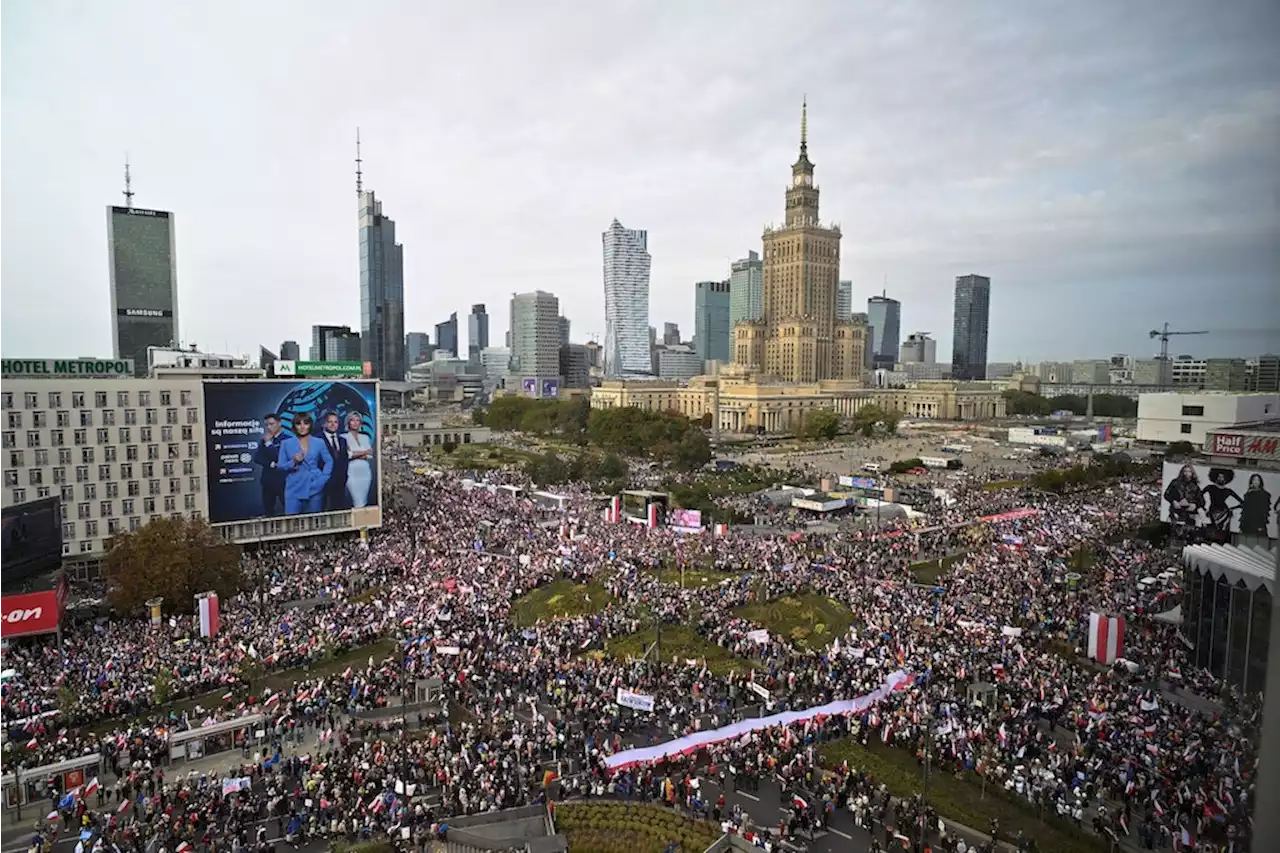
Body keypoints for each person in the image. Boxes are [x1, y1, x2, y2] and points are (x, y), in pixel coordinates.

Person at [277, 412, 333, 515]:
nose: (302, 427)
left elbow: (329, 461)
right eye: (299, 423)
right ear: (294, 426)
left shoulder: (319, 442)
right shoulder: (286, 443)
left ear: (310, 425)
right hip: (294, 487)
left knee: (314, 522)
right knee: (291, 522)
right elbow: (280, 466)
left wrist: (323, 478)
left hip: (315, 485)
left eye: (306, 423)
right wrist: (293, 462)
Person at [254, 413, 288, 516]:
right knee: (268, 512)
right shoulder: (264, 440)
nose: (269, 427)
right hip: (267, 481)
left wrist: (269, 444)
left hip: (283, 481)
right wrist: (271, 464)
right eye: (267, 425)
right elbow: (257, 458)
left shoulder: (287, 439)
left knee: (289, 510)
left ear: (279, 423)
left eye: (271, 424)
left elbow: (280, 457)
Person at [318, 412, 349, 512]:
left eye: (335, 422)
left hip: (339, 482)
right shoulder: (317, 439)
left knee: (339, 510)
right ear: (324, 424)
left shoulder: (342, 440)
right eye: (330, 422)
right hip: (323, 482)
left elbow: (344, 460)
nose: (333, 424)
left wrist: (344, 476)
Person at [343, 410, 375, 508]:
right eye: (352, 420)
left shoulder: (365, 437)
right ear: (348, 422)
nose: (355, 423)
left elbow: (370, 455)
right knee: (358, 501)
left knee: (364, 500)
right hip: (352, 472)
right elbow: (348, 455)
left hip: (365, 472)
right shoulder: (343, 437)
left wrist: (356, 453)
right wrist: (364, 452)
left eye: (358, 420)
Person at [1202, 468, 1241, 539]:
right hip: (1212, 512)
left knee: (1223, 533)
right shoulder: (1210, 487)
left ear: (1226, 479)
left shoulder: (1228, 491)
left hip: (1224, 513)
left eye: (1222, 477)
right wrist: (1203, 508)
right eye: (1219, 476)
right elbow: (1199, 496)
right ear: (1215, 477)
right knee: (1211, 533)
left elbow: (1242, 503)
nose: (1220, 478)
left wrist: (1232, 508)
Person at [1163, 464, 1202, 534]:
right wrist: (1173, 501)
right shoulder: (1175, 482)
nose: (1187, 473)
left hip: (1190, 515)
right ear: (1182, 472)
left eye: (1189, 471)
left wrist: (1195, 505)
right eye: (1185, 471)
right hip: (1176, 512)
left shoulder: (1195, 486)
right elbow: (1166, 494)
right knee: (1169, 531)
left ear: (1192, 473)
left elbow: (1201, 501)